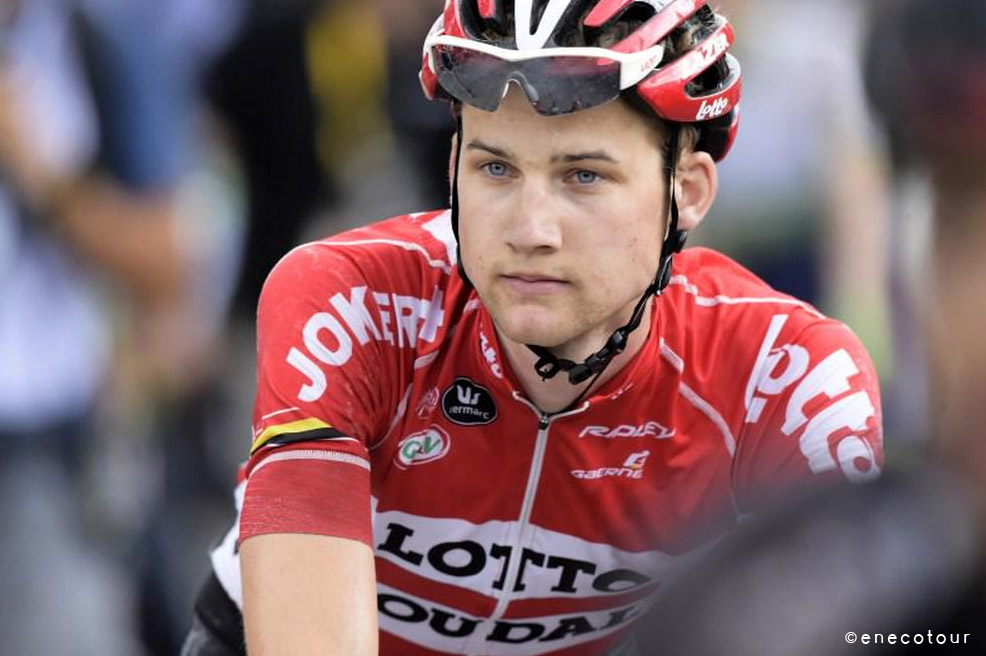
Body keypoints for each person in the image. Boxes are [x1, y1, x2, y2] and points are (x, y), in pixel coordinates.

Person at [183, 1, 884, 654]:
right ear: (453, 171)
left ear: (687, 192)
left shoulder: (786, 378)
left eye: (583, 176)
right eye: (496, 168)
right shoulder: (354, 301)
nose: (530, 229)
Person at [629, 1, 986, 654]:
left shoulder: (813, 49)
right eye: (965, 215)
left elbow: (854, 190)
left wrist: (860, 317)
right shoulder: (761, 604)